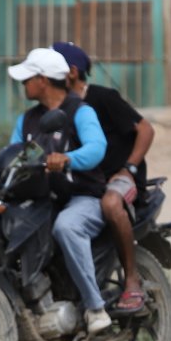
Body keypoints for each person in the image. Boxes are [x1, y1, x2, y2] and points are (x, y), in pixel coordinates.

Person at [7, 47, 111, 334]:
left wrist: (68, 158)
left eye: (27, 78)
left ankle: (94, 307)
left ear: (42, 80)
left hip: (83, 197)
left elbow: (96, 147)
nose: (22, 84)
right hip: (43, 198)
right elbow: (12, 153)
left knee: (66, 227)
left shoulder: (80, 111)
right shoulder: (26, 120)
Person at [52, 41, 155, 314]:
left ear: (72, 72)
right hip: (84, 184)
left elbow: (146, 130)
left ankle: (131, 279)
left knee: (111, 204)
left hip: (118, 178)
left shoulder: (102, 98)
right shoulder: (56, 108)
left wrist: (129, 168)